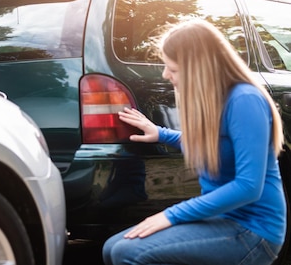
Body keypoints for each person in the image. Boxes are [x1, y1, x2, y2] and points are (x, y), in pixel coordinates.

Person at [102, 19, 286, 265]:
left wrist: (171, 215)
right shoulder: (213, 99)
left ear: (199, 68)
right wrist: (161, 133)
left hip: (253, 229)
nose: (166, 75)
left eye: (173, 69)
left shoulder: (244, 100)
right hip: (221, 219)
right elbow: (213, 145)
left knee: (128, 253)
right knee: (111, 248)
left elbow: (249, 186)